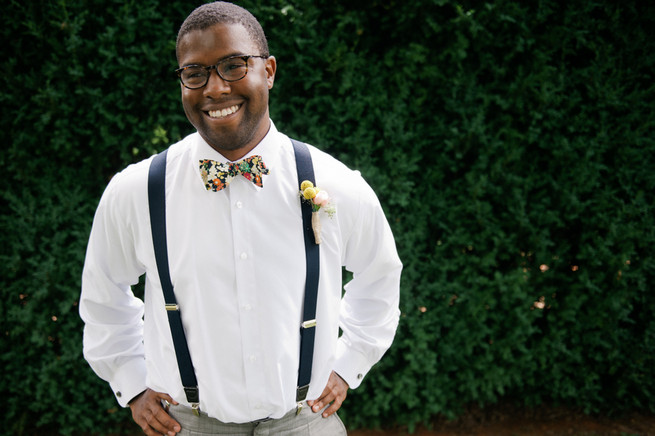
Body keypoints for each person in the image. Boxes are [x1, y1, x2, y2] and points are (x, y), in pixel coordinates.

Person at [79, 2, 402, 435]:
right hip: (187, 427)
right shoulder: (137, 191)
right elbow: (103, 296)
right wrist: (131, 383)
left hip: (306, 424)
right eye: (195, 73)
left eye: (233, 66)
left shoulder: (335, 183)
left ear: (268, 70)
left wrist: (351, 362)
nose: (214, 89)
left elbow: (380, 275)